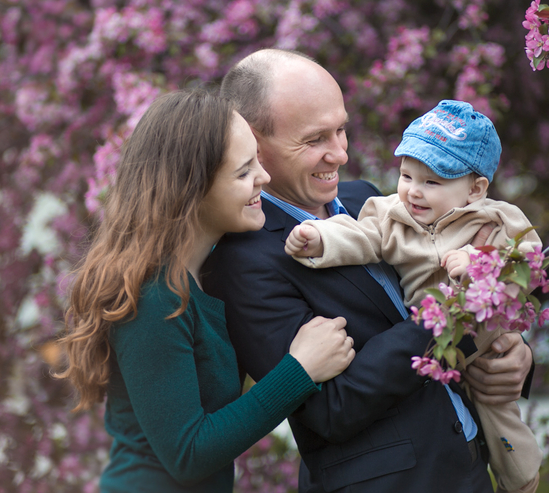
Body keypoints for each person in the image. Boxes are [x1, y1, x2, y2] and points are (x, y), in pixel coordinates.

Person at [201, 49, 535, 493]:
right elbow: (330, 410)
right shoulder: (243, 262)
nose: (340, 153)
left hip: (469, 470)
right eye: (315, 139)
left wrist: (515, 356)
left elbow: (437, 273)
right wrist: (453, 314)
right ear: (254, 144)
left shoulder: (367, 199)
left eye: (341, 129)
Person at [55, 89, 356, 493]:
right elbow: (188, 454)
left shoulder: (210, 273)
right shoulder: (153, 297)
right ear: (192, 188)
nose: (263, 178)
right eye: (243, 172)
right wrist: (300, 370)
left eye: (257, 162)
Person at [284, 99, 543, 493]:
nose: (414, 192)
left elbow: (528, 261)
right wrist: (320, 238)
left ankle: (521, 479)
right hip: (432, 343)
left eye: (432, 182)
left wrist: (478, 262)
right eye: (406, 176)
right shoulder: (391, 214)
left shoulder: (497, 218)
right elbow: (360, 235)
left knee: (499, 415)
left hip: (481, 338)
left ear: (475, 189)